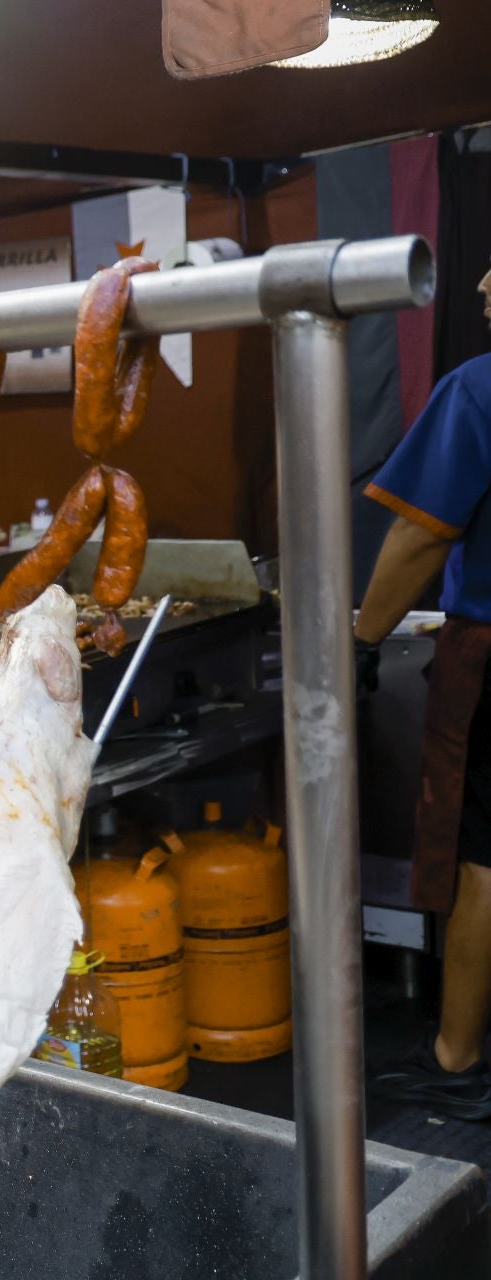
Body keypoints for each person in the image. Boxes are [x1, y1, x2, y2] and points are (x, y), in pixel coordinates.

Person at [361, 265, 491, 1119]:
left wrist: (363, 637)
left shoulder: (479, 390)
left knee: (485, 857)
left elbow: (418, 537)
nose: (483, 284)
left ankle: (455, 1058)